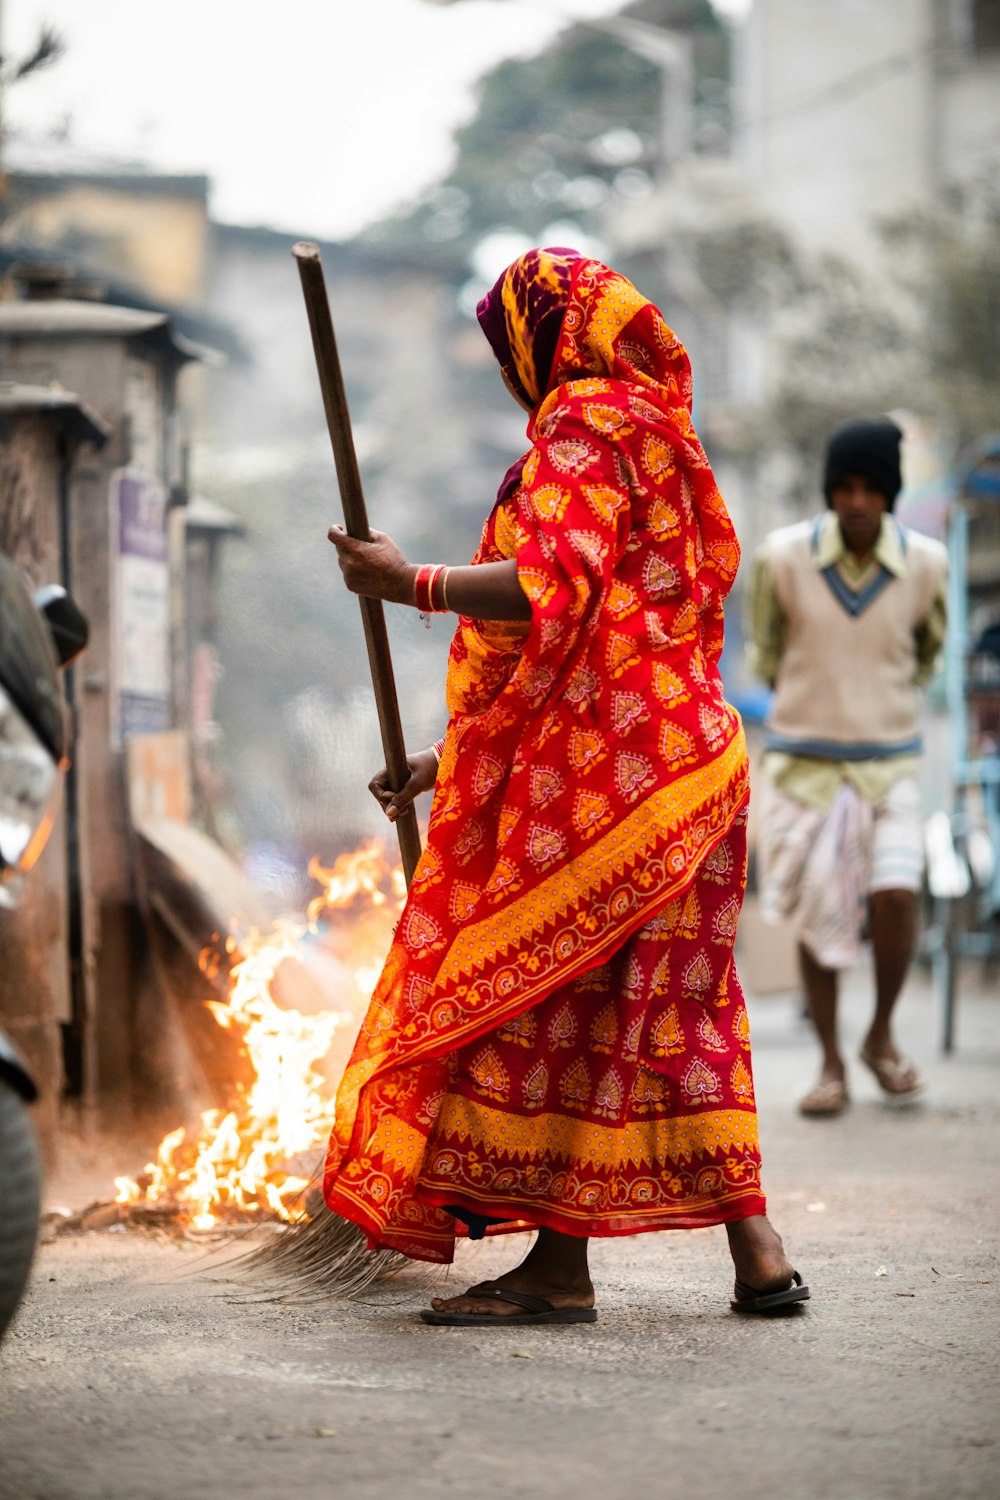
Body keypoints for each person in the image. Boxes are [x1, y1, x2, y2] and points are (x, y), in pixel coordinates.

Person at [326, 247, 806, 1325]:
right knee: (676, 1018)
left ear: (541, 343)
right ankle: (759, 1254)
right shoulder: (662, 433)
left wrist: (414, 583)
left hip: (619, 789)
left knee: (552, 1010)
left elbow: (554, 584)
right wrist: (449, 766)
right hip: (691, 768)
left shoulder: (586, 422)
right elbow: (605, 639)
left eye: (509, 349)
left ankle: (558, 1271)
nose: (510, 374)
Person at [747, 417, 948, 1118]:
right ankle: (830, 1062)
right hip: (804, 764)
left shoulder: (926, 563)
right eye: (844, 487)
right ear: (830, 492)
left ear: (889, 495)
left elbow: (927, 653)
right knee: (819, 916)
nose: (856, 501)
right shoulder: (782, 557)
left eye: (869, 488)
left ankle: (881, 1036)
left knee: (898, 893)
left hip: (889, 761)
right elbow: (766, 655)